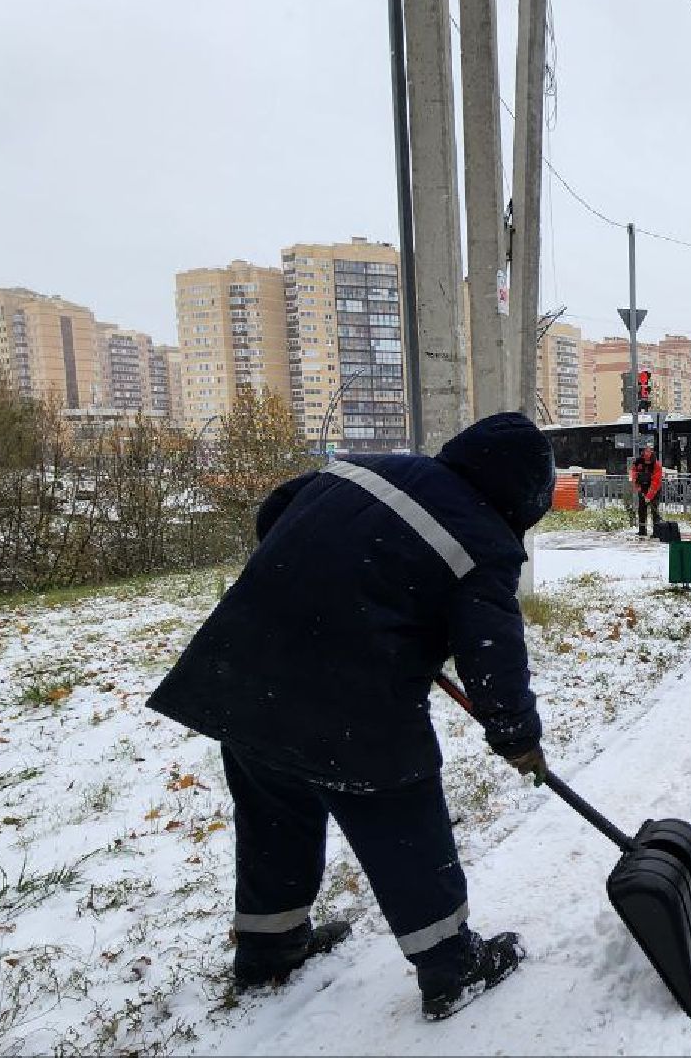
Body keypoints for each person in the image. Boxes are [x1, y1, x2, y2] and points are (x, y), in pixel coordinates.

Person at [147, 412, 554, 1022]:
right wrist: (517, 736)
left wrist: (330, 587)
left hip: (245, 670)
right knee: (404, 823)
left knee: (275, 807)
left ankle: (270, 948)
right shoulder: (485, 543)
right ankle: (451, 965)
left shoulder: (368, 469)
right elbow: (491, 655)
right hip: (354, 703)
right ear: (524, 499)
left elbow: (274, 512)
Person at [631, 445, 664, 537]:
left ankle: (656, 532)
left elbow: (656, 482)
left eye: (649, 452)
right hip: (642, 489)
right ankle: (642, 530)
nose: (647, 453)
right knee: (641, 510)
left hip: (654, 490)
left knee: (654, 511)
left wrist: (649, 496)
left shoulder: (656, 465)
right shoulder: (638, 463)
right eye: (645, 451)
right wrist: (638, 488)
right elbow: (634, 475)